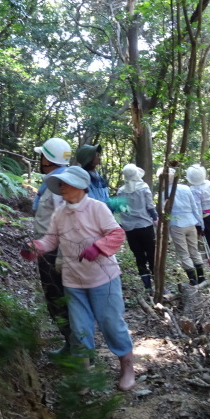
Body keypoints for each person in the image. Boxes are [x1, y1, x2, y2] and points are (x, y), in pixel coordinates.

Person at [21, 166, 136, 391]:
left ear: (79, 186)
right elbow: (51, 240)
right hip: (73, 280)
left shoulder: (97, 208)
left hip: (104, 278)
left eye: (65, 184)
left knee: (111, 323)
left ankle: (127, 368)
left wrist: (98, 247)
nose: (61, 188)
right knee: (79, 328)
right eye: (60, 184)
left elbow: (116, 233)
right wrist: (36, 247)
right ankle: (83, 375)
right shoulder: (60, 213)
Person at [31, 137, 74, 356]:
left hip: (55, 252)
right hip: (50, 249)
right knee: (59, 298)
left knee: (58, 299)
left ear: (48, 159)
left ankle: (77, 350)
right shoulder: (57, 179)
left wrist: (61, 257)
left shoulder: (59, 184)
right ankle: (71, 345)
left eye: (42, 156)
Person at [116, 164, 158, 293]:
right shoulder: (144, 188)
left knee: (139, 257)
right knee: (152, 255)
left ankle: (148, 288)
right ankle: (158, 286)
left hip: (130, 229)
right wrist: (155, 218)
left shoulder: (121, 191)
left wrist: (122, 225)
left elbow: (120, 210)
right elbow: (150, 206)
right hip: (145, 226)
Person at [164, 168, 206, 285]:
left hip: (176, 225)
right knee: (194, 250)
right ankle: (201, 277)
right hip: (190, 222)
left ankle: (193, 279)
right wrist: (200, 224)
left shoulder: (164, 194)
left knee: (183, 253)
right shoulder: (186, 188)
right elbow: (194, 207)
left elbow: (165, 213)